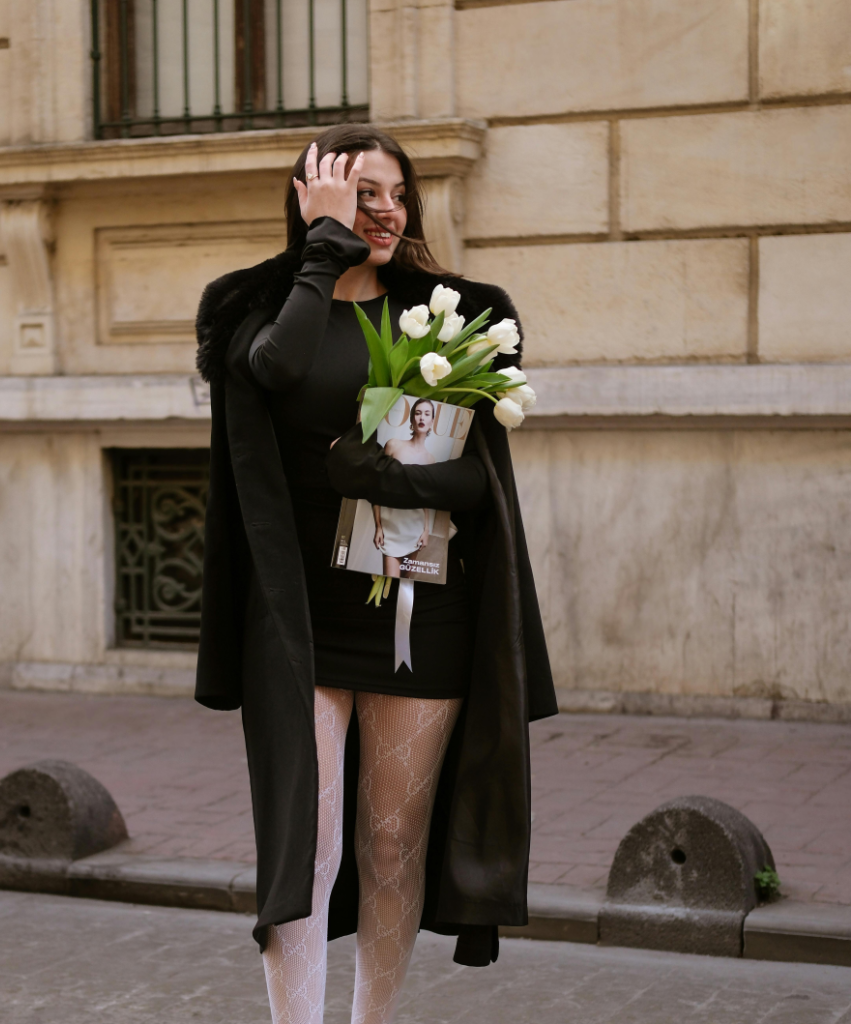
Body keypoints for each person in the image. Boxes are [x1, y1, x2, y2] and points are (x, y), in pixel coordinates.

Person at [195, 123, 557, 1024]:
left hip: (421, 610)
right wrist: (322, 254)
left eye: (396, 192)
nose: (387, 210)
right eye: (363, 194)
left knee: (393, 842)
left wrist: (383, 476)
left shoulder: (458, 312)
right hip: (300, 623)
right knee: (303, 849)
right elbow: (276, 367)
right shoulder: (253, 308)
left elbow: (479, 480)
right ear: (312, 197)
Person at [373, 398, 437, 577]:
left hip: (415, 530)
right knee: (390, 581)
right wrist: (378, 526)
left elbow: (425, 498)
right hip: (391, 528)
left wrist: (426, 530)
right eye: (417, 413)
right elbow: (378, 487)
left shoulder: (431, 459)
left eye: (426, 414)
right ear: (411, 419)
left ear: (432, 422)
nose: (421, 418)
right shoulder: (393, 445)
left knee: (405, 586)